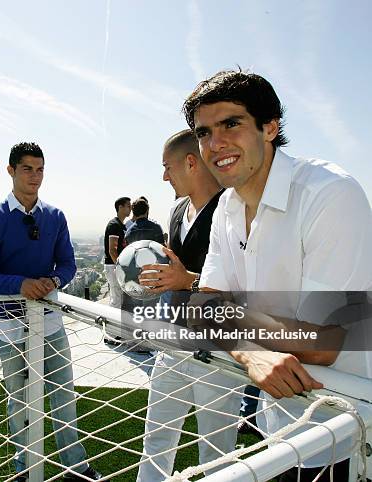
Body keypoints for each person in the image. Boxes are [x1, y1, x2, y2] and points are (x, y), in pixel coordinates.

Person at [183, 69, 372, 481]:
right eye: (204, 132)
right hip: (282, 423)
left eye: (231, 124)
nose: (216, 144)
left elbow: (324, 342)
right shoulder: (227, 208)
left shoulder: (330, 194)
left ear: (270, 127)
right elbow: (201, 307)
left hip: (351, 429)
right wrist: (249, 351)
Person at [0, 142, 103, 481]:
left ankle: (76, 466)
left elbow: (69, 265)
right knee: (20, 401)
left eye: (40, 169)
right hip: (9, 323)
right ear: (11, 171)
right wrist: (21, 284)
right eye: (28, 168)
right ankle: (25, 469)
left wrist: (53, 280)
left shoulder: (55, 216)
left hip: (49, 319)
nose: (35, 176)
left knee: (63, 393)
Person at [136, 130, 239, 481]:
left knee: (216, 452)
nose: (164, 176)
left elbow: (240, 287)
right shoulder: (178, 209)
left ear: (191, 163)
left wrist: (187, 280)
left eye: (168, 167)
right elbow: (174, 271)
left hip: (217, 352)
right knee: (156, 438)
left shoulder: (233, 209)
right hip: (173, 343)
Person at [103, 197, 131, 308]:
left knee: (120, 299)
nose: (130, 209)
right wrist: (120, 267)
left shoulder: (121, 225)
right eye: (128, 206)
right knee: (116, 300)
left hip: (117, 265)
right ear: (120, 207)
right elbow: (112, 250)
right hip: (113, 266)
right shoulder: (114, 225)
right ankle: (112, 324)